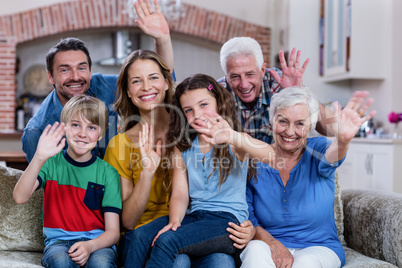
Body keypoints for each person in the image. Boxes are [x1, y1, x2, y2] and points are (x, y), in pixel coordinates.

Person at [104, 51, 236, 268]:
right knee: (179, 261)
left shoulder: (194, 129)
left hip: (192, 228)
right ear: (128, 91)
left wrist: (253, 227)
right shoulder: (119, 145)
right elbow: (127, 221)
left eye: (153, 77)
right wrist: (147, 173)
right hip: (141, 235)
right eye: (136, 81)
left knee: (222, 261)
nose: (146, 87)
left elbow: (235, 179)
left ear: (166, 82)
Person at [139, 74, 275, 268]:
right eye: (189, 110)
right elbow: (179, 193)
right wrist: (175, 221)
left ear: (218, 103)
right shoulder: (184, 145)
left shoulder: (234, 142)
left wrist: (231, 136)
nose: (197, 114)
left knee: (167, 241)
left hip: (228, 222)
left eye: (204, 105)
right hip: (196, 217)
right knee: (140, 236)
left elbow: (270, 155)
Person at [22, 0, 174, 162]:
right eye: (64, 70)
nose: (75, 76)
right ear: (50, 76)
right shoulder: (36, 132)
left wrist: (162, 39)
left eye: (81, 67)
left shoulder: (103, 86)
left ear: (90, 70)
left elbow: (155, 85)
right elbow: (47, 185)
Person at [240, 87, 376, 268]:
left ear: (311, 126)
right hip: (269, 244)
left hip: (319, 247)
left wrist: (342, 140)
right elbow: (249, 217)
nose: (290, 131)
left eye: (299, 124)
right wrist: (273, 244)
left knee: (305, 262)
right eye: (283, 121)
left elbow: (332, 157)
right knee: (255, 250)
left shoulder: (318, 149)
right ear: (271, 120)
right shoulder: (254, 161)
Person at [13, 95, 122, 268]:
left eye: (91, 127)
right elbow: (19, 197)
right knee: (60, 262)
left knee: (101, 263)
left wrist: (89, 246)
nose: (82, 134)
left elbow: (113, 232)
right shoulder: (50, 163)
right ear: (64, 127)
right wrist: (39, 157)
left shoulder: (108, 173)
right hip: (58, 244)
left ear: (101, 133)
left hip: (97, 244)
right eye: (75, 125)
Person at [218, 37, 335, 145]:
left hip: (276, 164)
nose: (244, 85)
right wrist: (203, 90)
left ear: (262, 70)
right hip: (234, 165)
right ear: (226, 77)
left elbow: (332, 130)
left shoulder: (280, 81)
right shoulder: (215, 89)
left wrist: (300, 93)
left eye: (250, 74)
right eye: (235, 77)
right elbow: (206, 88)